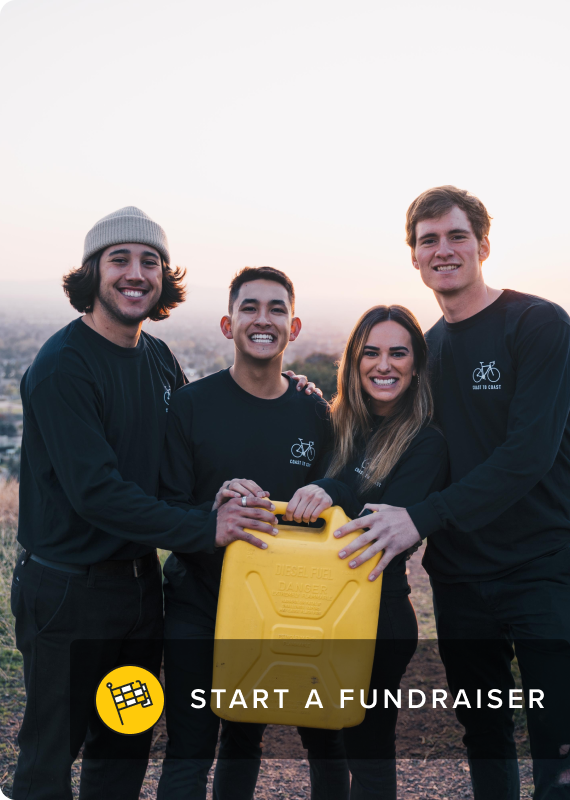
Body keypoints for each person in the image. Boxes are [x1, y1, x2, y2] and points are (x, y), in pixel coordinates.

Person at [335, 186, 570, 799]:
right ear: (413, 256)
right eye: (428, 240)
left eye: (457, 236)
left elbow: (526, 456)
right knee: (485, 742)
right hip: (462, 586)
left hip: (546, 574)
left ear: (483, 245)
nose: (444, 249)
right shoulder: (426, 353)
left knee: (561, 757)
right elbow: (386, 441)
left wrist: (420, 519)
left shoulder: (537, 324)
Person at [10, 207, 280, 800]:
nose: (137, 273)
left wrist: (285, 385)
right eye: (120, 260)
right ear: (93, 273)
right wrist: (206, 527)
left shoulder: (158, 357)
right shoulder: (63, 367)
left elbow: (183, 454)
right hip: (67, 595)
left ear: (163, 277)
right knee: (51, 753)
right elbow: (97, 493)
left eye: (150, 261)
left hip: (138, 591)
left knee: (124, 742)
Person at [157, 267, 349, 800]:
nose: (263, 319)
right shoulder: (191, 406)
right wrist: (212, 510)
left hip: (278, 610)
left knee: (254, 739)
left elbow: (334, 503)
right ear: (227, 323)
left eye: (276, 309)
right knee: (191, 746)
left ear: (295, 325)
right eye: (249, 307)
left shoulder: (317, 413)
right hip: (198, 604)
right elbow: (168, 509)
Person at [286, 304, 448, 799]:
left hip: (375, 620)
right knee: (320, 744)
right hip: (312, 611)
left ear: (416, 364)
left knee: (368, 753)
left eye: (398, 353)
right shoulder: (332, 425)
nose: (384, 364)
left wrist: (334, 490)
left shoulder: (426, 443)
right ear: (353, 362)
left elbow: (380, 528)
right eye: (370, 352)